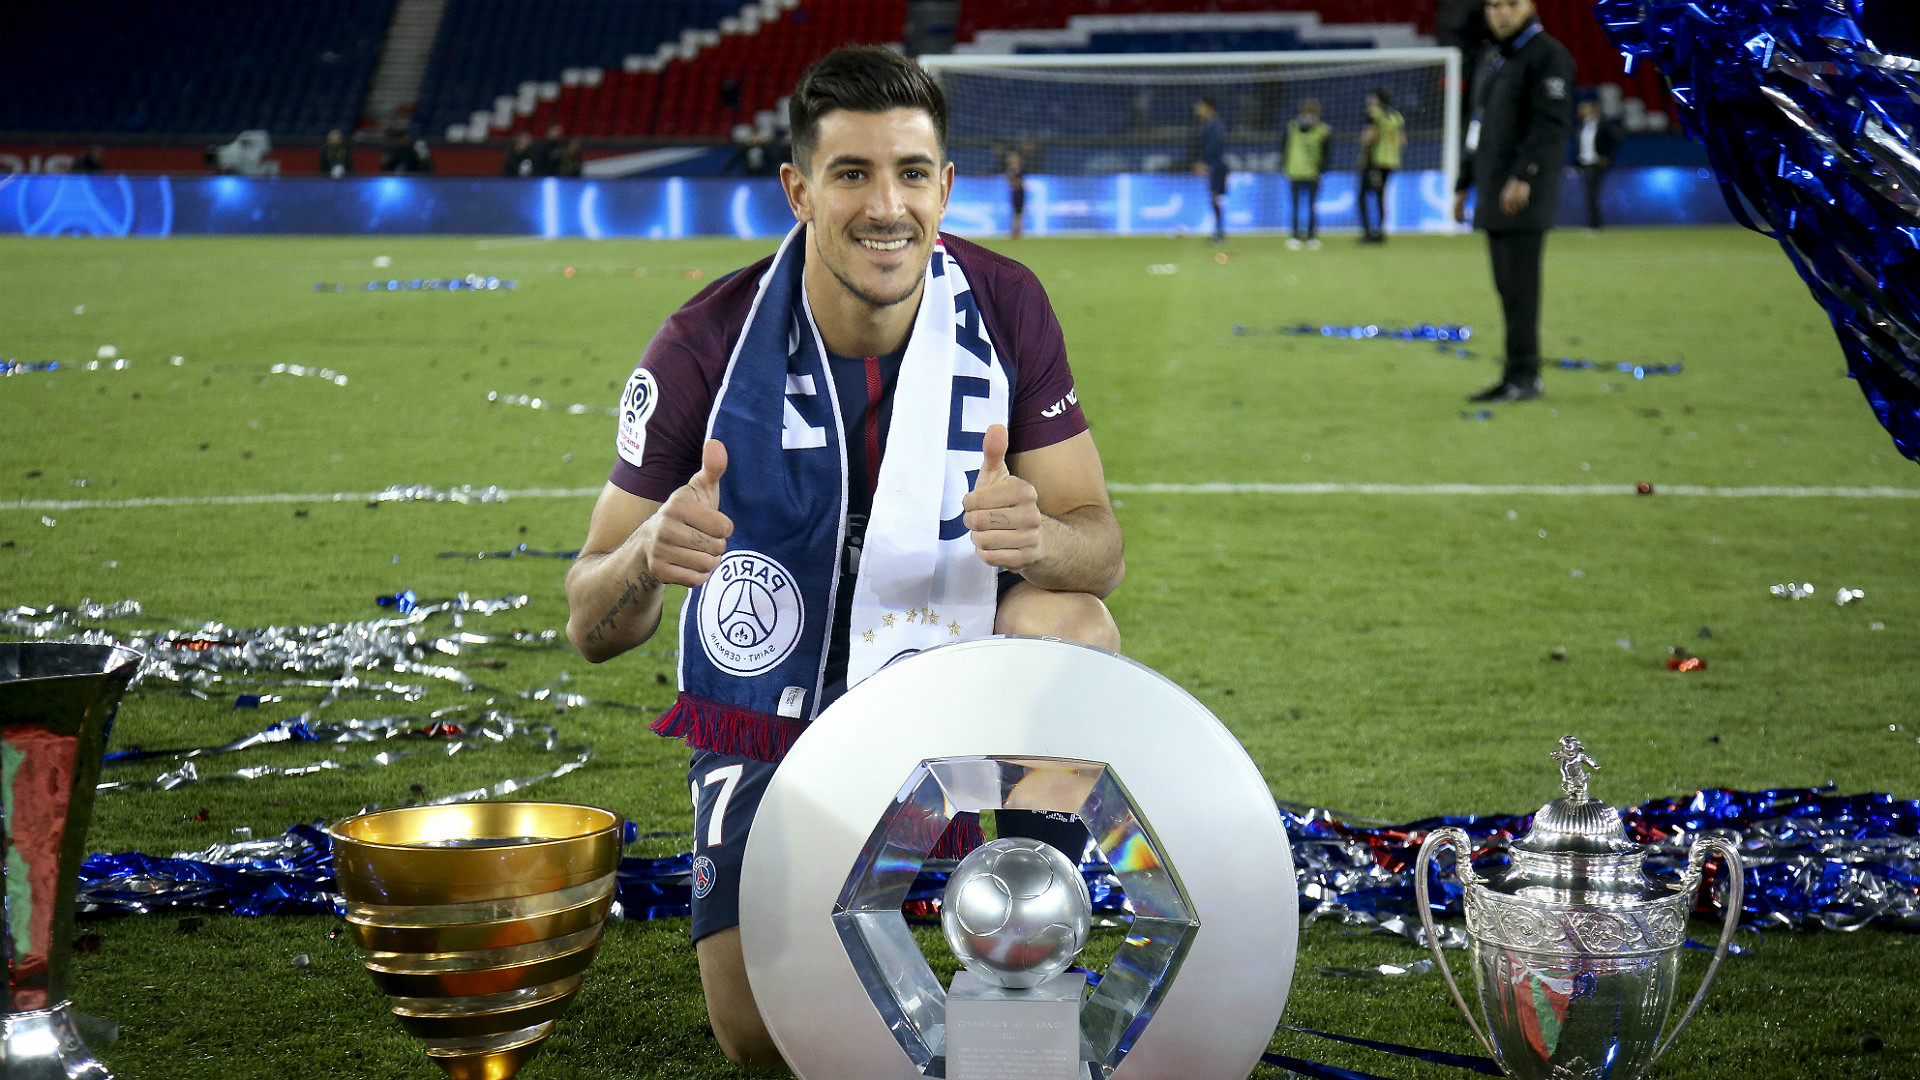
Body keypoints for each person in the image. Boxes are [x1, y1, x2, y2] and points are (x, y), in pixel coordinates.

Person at [563, 45, 1124, 1069]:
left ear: (945, 186)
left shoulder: (1005, 305)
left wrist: (1044, 539)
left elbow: (1101, 552)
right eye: (852, 173)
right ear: (798, 190)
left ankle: (1018, 947)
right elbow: (590, 623)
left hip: (945, 656)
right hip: (768, 700)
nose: (886, 207)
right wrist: (646, 554)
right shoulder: (705, 344)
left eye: (911, 174)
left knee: (1072, 629)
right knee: (760, 1036)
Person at [1455, 0, 1575, 403]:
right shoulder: (1493, 57)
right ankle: (1515, 374)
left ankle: (1524, 376)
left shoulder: (1548, 55)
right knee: (1507, 287)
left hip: (1522, 194)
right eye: (1494, 5)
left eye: (1511, 4)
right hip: (1492, 189)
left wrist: (1525, 176)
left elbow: (1549, 124)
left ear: (1530, 6)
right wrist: (1463, 182)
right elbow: (1477, 123)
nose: (1501, 13)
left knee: (1521, 289)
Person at [1358, 88, 1405, 243]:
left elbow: (1370, 136)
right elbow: (1403, 140)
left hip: (1374, 161)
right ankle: (1381, 232)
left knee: (1362, 195)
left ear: (1377, 99)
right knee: (1380, 196)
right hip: (1391, 161)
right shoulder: (1396, 116)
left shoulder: (1374, 113)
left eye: (1370, 97)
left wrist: (1364, 142)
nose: (1368, 101)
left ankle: (1368, 233)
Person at [1282, 98, 1330, 250]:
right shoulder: (1292, 128)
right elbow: (1284, 148)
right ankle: (1295, 236)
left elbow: (1326, 153)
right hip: (1295, 172)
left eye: (1312, 113)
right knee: (1295, 206)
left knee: (1312, 206)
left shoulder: (1323, 131)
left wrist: (1322, 171)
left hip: (1313, 173)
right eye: (1306, 113)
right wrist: (1284, 167)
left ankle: (1311, 236)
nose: (1308, 116)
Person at [1573, 98, 1622, 230]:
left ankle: (1595, 224)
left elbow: (1615, 140)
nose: (1580, 111)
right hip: (1584, 163)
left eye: (1584, 107)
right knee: (1590, 193)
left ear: (1593, 109)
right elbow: (1579, 146)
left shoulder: (1604, 124)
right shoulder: (1582, 126)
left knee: (1592, 193)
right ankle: (1594, 222)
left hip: (1596, 163)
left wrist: (1606, 156)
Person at [1191, 97, 1228, 242]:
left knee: (1216, 198)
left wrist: (1205, 162)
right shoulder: (1209, 124)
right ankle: (1219, 231)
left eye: (1201, 106)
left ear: (1209, 108)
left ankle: (1220, 232)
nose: (1198, 109)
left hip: (1217, 166)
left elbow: (1215, 146)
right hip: (1214, 165)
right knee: (1214, 198)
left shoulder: (1215, 125)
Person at [1006, 148, 1027, 239]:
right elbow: (1009, 182)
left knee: (1020, 213)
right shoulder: (1011, 170)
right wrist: (1017, 184)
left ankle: (1018, 231)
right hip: (1015, 192)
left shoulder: (1020, 169)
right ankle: (1014, 231)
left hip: (1021, 192)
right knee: (1016, 212)